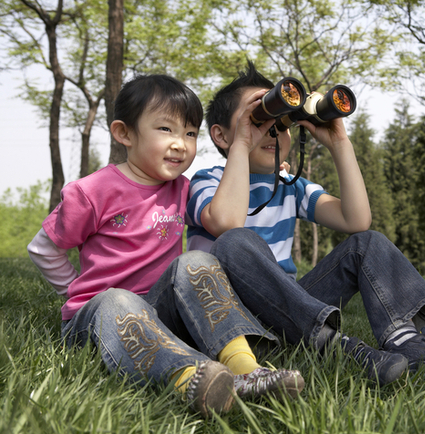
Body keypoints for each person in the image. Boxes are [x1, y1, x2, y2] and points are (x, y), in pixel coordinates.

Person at [186, 62, 425, 387]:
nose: (272, 131)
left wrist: (338, 143)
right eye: (259, 119)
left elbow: (356, 219)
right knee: (234, 242)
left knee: (369, 242)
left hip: (293, 308)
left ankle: (411, 342)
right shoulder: (208, 181)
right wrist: (242, 145)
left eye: (281, 122)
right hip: (232, 319)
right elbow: (226, 222)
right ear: (220, 135)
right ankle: (338, 346)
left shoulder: (290, 185)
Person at [26, 74, 304, 419]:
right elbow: (43, 248)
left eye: (189, 133)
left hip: (161, 312)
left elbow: (226, 216)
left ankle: (246, 370)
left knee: (197, 260)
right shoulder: (92, 190)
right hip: (102, 318)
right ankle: (189, 377)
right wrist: (73, 292)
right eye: (165, 130)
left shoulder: (183, 189)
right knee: (117, 298)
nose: (180, 144)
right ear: (124, 133)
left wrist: (256, 157)